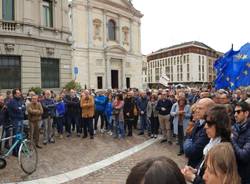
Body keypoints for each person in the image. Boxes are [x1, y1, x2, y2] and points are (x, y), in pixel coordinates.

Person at [182, 105, 231, 184]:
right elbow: (204, 165)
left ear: (219, 125)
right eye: (205, 122)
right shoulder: (213, 140)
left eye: (209, 123)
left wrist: (193, 178)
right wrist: (196, 171)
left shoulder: (223, 149)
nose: (205, 126)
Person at [184, 98, 214, 168]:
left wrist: (188, 141)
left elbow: (191, 151)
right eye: (197, 108)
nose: (197, 111)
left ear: (210, 110)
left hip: (200, 167)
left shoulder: (209, 127)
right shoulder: (198, 122)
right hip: (193, 165)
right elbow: (187, 136)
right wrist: (189, 140)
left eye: (200, 108)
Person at [231, 101, 250, 184]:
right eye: (234, 112)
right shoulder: (234, 127)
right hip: (233, 172)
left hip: (244, 176)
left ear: (246, 113)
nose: (235, 115)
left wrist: (231, 139)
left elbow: (244, 156)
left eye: (238, 112)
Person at [7, 89, 26, 155]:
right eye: (18, 93)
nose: (19, 94)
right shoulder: (12, 101)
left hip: (21, 119)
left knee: (20, 136)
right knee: (16, 136)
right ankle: (15, 151)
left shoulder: (20, 100)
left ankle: (19, 149)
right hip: (15, 120)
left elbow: (23, 108)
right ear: (14, 94)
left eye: (19, 93)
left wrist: (21, 108)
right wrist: (21, 108)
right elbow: (16, 109)